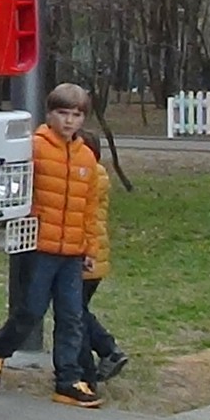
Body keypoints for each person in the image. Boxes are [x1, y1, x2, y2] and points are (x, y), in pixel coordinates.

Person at [0, 83, 104, 408]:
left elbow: (89, 207)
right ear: (49, 114)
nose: (69, 121)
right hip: (38, 247)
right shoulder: (34, 147)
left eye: (76, 115)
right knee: (31, 311)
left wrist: (89, 248)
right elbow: (9, 190)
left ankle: (67, 379)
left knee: (71, 316)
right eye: (63, 113)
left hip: (72, 252)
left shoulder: (86, 157)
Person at [77, 131, 130, 386]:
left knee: (74, 312)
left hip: (85, 254)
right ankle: (105, 352)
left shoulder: (90, 175)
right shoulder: (97, 173)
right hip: (95, 254)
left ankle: (105, 351)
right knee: (77, 309)